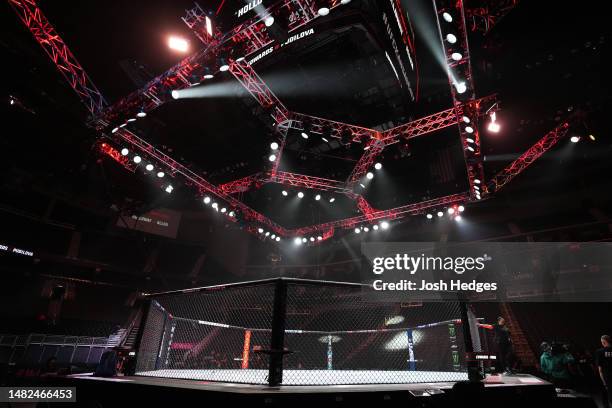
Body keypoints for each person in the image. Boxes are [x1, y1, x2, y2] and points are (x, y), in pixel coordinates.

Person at [596, 335, 612, 407]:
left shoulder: (600, 352)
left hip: (607, 378)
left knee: (607, 398)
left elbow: (600, 370)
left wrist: (604, 383)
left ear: (604, 342)